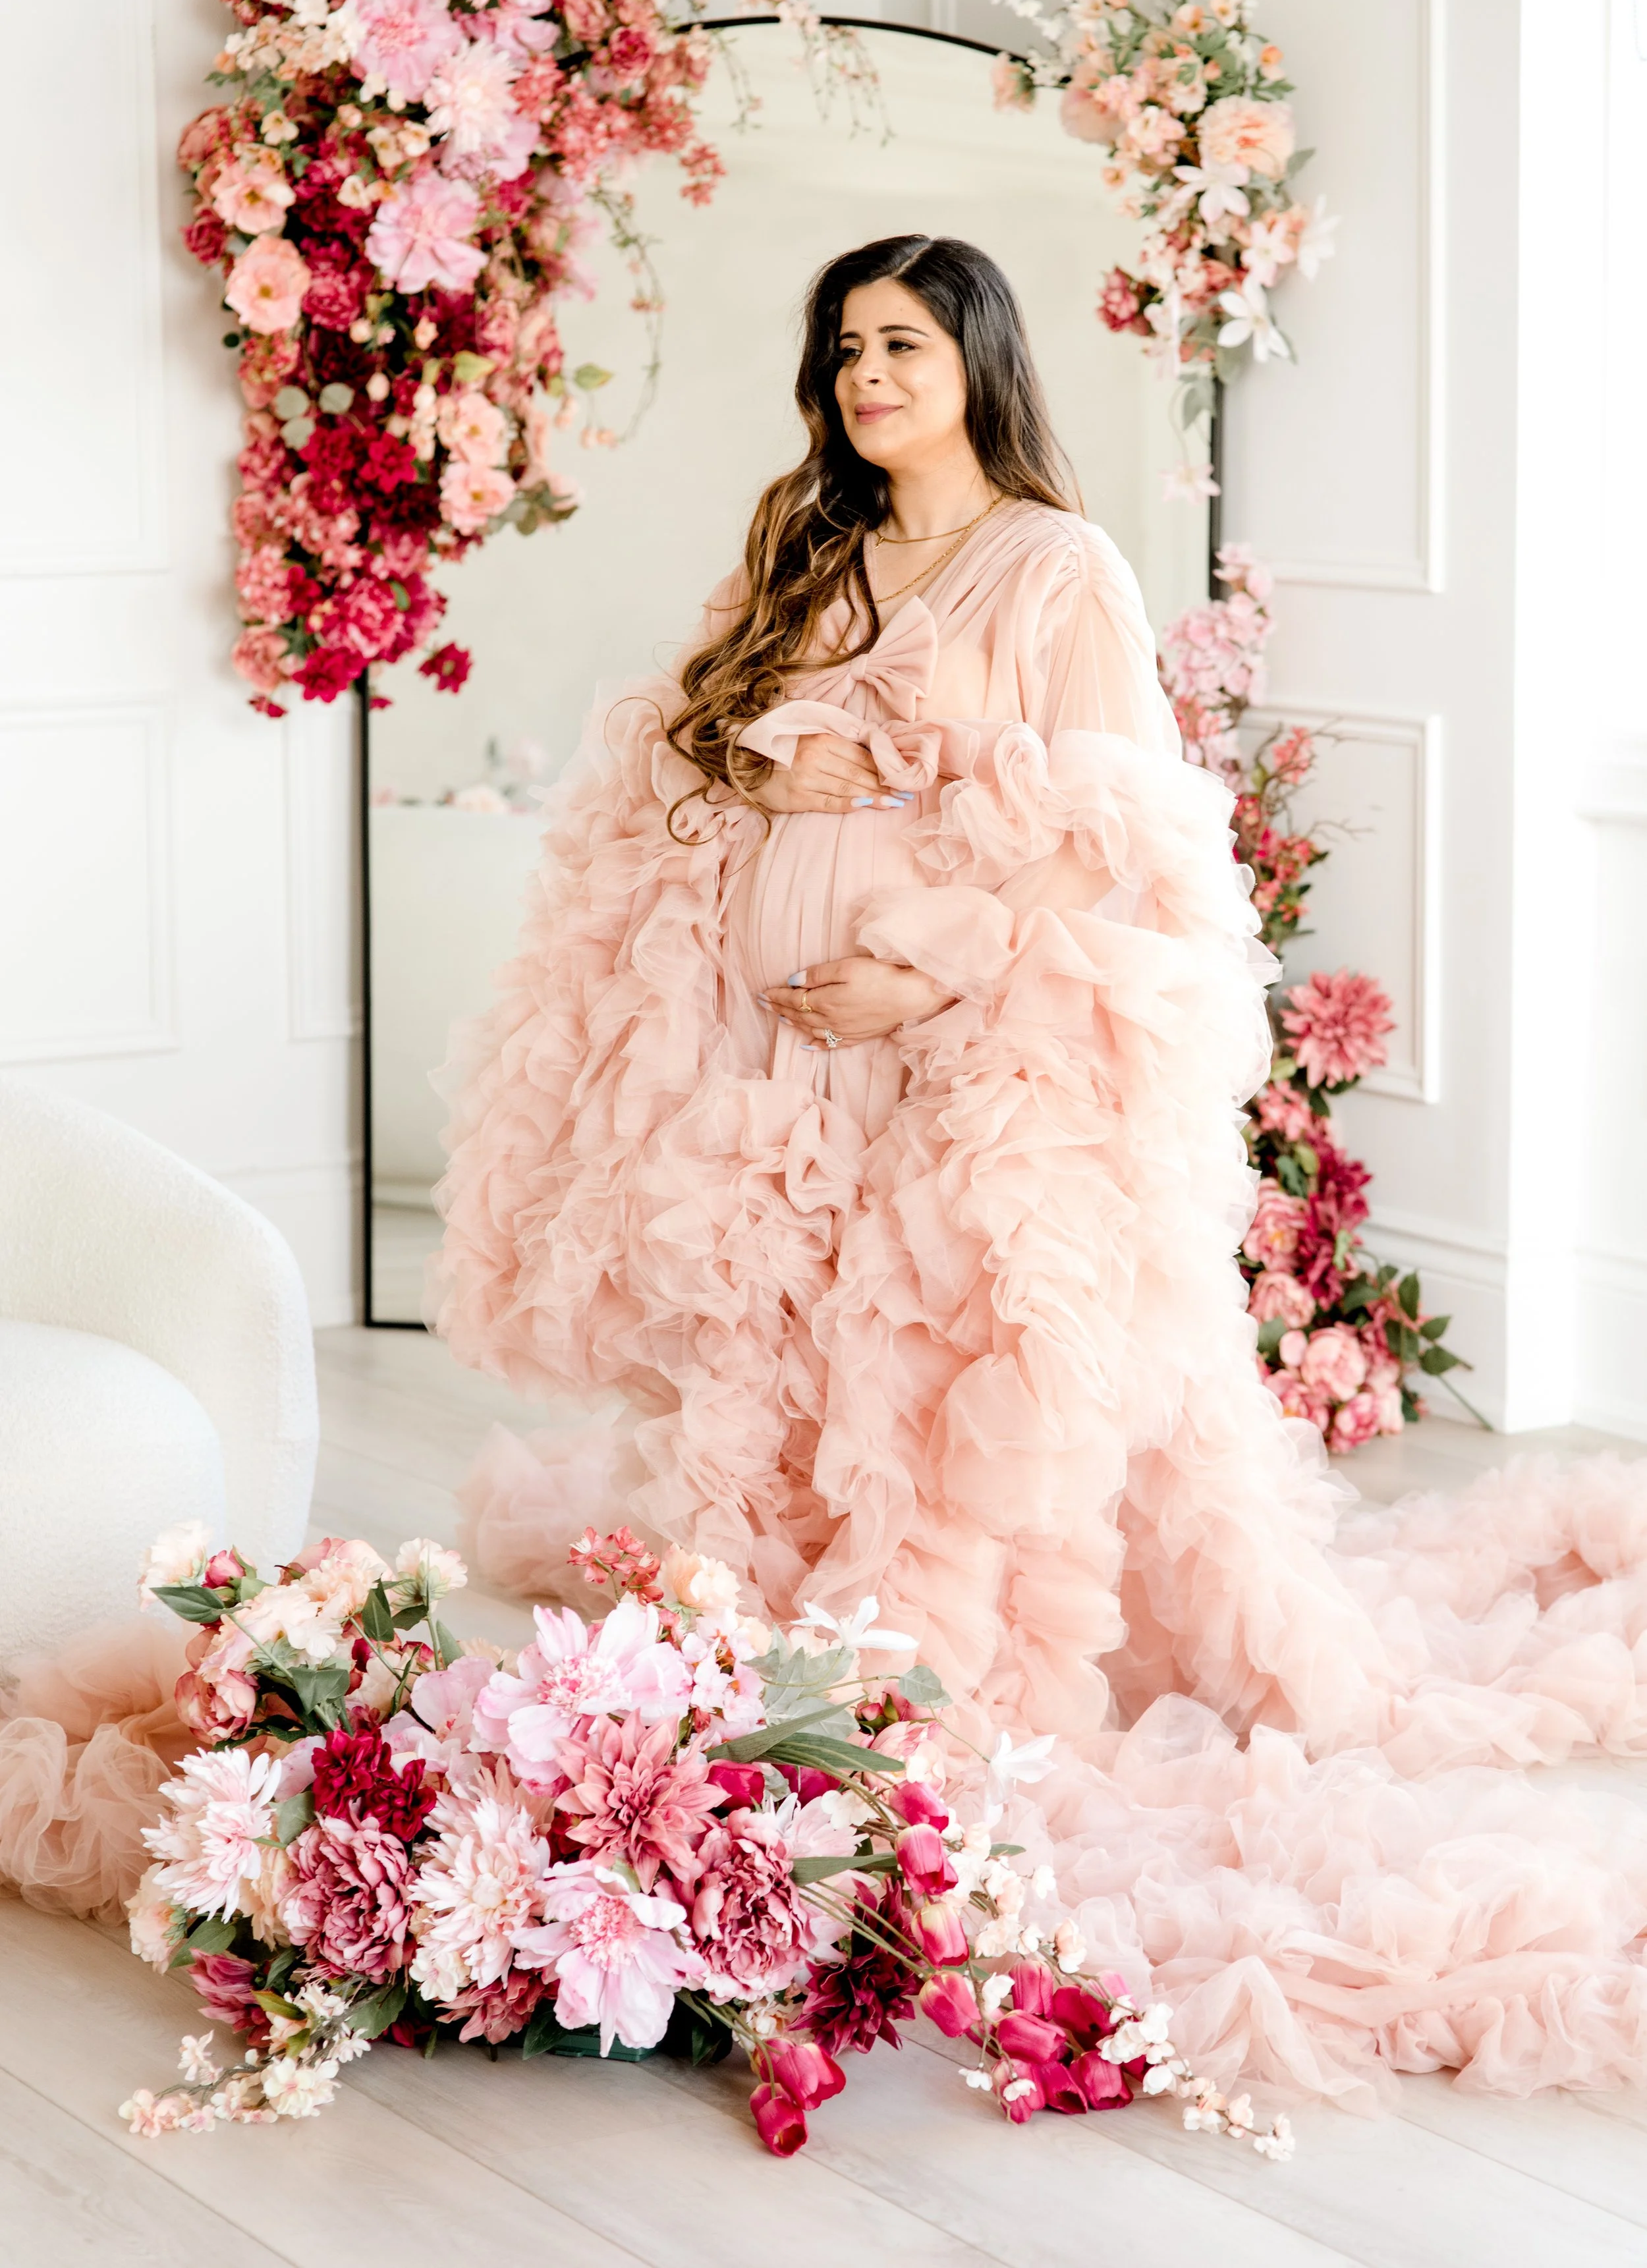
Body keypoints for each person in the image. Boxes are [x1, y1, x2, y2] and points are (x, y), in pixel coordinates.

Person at [435, 234, 1647, 2109]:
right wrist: (772, 775)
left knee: (917, 1367)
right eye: (844, 347)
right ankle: (776, 1638)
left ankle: (917, 1666)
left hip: (947, 1043)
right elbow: (690, 748)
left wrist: (924, 961)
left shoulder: (1053, 565)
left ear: (977, 359)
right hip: (771, 1052)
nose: (867, 377)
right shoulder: (810, 541)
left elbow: (1120, 838)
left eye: (903, 345)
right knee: (776, 1343)